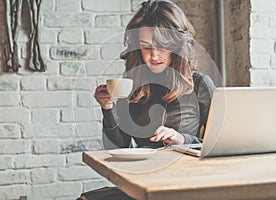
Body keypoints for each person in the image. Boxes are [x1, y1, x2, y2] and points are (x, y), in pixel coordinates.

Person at [78, 0, 216, 199]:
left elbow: (218, 146)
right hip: (145, 182)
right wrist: (108, 108)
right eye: (146, 47)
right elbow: (118, 149)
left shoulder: (200, 85)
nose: (154, 55)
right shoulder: (132, 88)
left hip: (187, 184)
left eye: (163, 46)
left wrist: (181, 139)